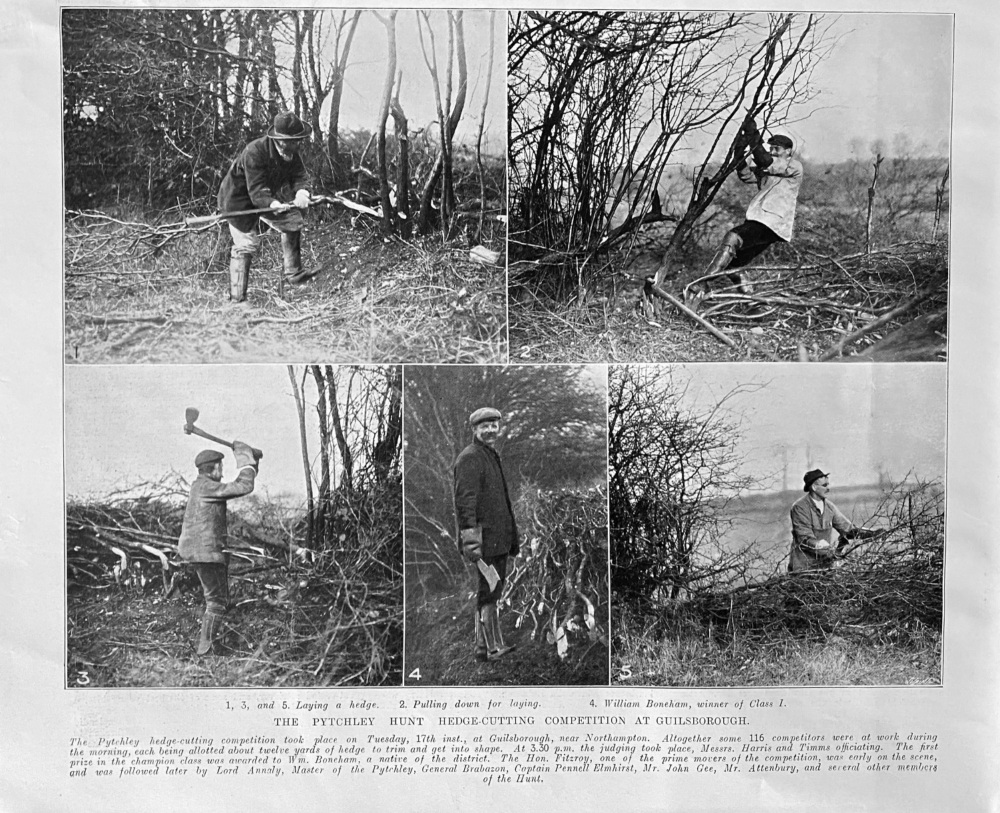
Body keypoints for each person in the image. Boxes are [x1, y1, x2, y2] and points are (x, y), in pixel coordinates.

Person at [697, 117, 803, 299]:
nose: (773, 152)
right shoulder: (770, 168)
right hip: (765, 222)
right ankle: (755, 304)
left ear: (788, 151)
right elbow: (746, 175)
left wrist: (753, 135)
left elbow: (765, 161)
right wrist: (740, 150)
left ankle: (701, 284)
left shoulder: (793, 166)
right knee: (733, 267)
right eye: (771, 149)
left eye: (777, 149)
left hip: (770, 221)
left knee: (733, 237)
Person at [218, 111, 314, 303]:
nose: (298, 144)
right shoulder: (255, 152)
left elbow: (300, 176)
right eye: (294, 141)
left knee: (293, 221)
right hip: (237, 201)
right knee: (246, 245)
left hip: (267, 198)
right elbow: (256, 191)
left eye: (299, 140)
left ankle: (294, 273)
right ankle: (237, 300)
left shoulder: (291, 152)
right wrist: (272, 204)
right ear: (281, 140)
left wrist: (303, 192)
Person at [453, 407, 521, 662]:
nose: (491, 429)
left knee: (492, 590)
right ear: (475, 430)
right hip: (485, 541)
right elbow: (464, 504)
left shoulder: (489, 455)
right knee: (489, 590)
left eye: (494, 424)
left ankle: (486, 647)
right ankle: (489, 648)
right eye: (485, 426)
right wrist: (471, 543)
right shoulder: (470, 457)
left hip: (498, 539)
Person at [178, 444, 259, 655]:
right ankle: (205, 649)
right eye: (220, 467)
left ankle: (211, 643)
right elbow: (243, 487)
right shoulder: (206, 486)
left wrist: (254, 462)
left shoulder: (201, 486)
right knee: (216, 601)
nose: (222, 472)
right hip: (205, 552)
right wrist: (246, 460)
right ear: (213, 468)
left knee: (219, 599)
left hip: (202, 551)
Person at [788, 469, 880, 572]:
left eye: (828, 484)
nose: (828, 488)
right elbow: (806, 540)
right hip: (803, 569)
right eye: (825, 485)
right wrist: (830, 550)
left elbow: (848, 530)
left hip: (824, 568)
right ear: (814, 487)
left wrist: (872, 534)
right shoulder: (800, 508)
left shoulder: (829, 507)